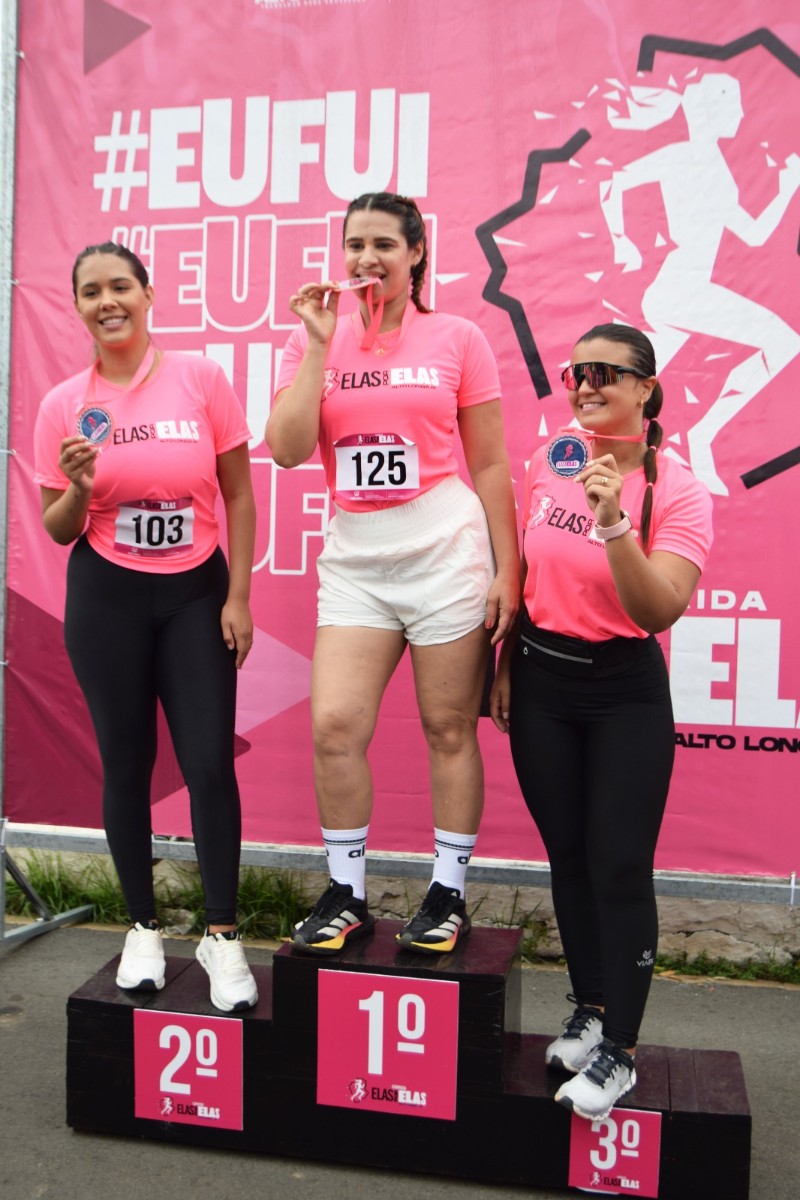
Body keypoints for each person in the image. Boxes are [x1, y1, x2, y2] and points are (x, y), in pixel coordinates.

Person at [266, 192, 519, 955]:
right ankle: (346, 893)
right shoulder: (312, 337)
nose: (366, 258)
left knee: (448, 727)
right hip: (357, 557)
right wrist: (318, 347)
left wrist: (509, 569)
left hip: (445, 550)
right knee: (335, 727)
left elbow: (490, 462)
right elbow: (286, 450)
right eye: (355, 244)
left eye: (383, 244)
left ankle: (448, 892)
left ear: (416, 254)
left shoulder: (458, 338)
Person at [490, 323, 713, 1120]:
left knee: (619, 865)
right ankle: (590, 1009)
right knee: (570, 857)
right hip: (542, 683)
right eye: (576, 372)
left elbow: (657, 609)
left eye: (604, 373)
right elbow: (526, 574)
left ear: (646, 388)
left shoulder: (676, 488)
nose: (585, 385)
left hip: (623, 693)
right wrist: (504, 667)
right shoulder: (551, 459)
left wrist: (616, 521)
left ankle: (620, 1048)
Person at [33, 242, 258, 1013]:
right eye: (91, 291)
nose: (108, 301)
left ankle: (222, 934)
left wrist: (238, 596)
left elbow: (240, 493)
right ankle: (142, 928)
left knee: (208, 763)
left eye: (120, 286)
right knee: (126, 765)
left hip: (197, 595)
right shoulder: (64, 404)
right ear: (77, 307)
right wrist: (79, 486)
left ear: (148, 293)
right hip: (107, 601)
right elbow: (58, 527)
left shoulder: (200, 379)